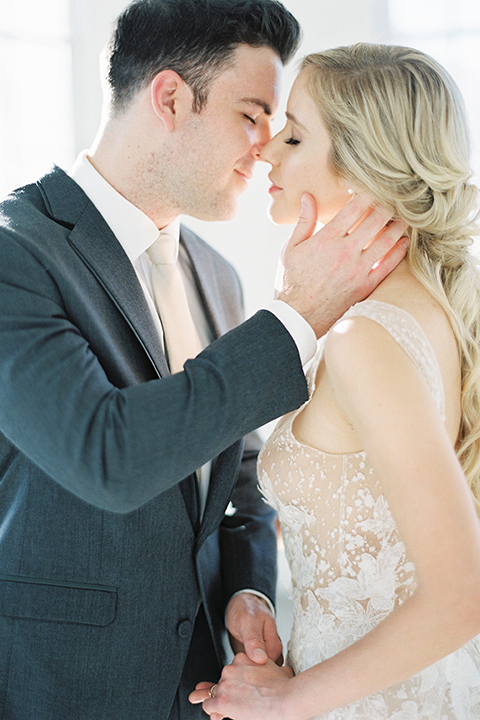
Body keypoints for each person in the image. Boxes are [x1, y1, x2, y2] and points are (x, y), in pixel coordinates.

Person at [0, 2, 407, 717]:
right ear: (170, 98)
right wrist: (297, 316)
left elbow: (237, 466)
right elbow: (107, 453)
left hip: (197, 691)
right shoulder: (15, 252)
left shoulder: (214, 273)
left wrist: (246, 589)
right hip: (57, 691)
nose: (266, 148)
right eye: (252, 116)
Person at [191, 43, 480, 720]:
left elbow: (465, 592)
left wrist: (289, 701)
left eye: (294, 135)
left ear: (365, 166)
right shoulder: (425, 313)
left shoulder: (367, 341)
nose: (267, 154)